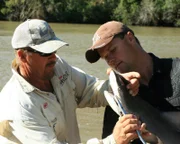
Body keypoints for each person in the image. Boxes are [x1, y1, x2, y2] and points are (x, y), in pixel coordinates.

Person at [0, 19, 153, 144]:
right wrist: (113, 141)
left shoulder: (57, 67)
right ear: (22, 56)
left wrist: (118, 84)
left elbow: (90, 90)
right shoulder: (17, 106)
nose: (53, 57)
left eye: (54, 49)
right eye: (45, 52)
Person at [85, 21, 180, 143]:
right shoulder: (119, 100)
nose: (110, 60)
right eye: (105, 57)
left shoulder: (177, 70)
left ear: (130, 38)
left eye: (113, 50)